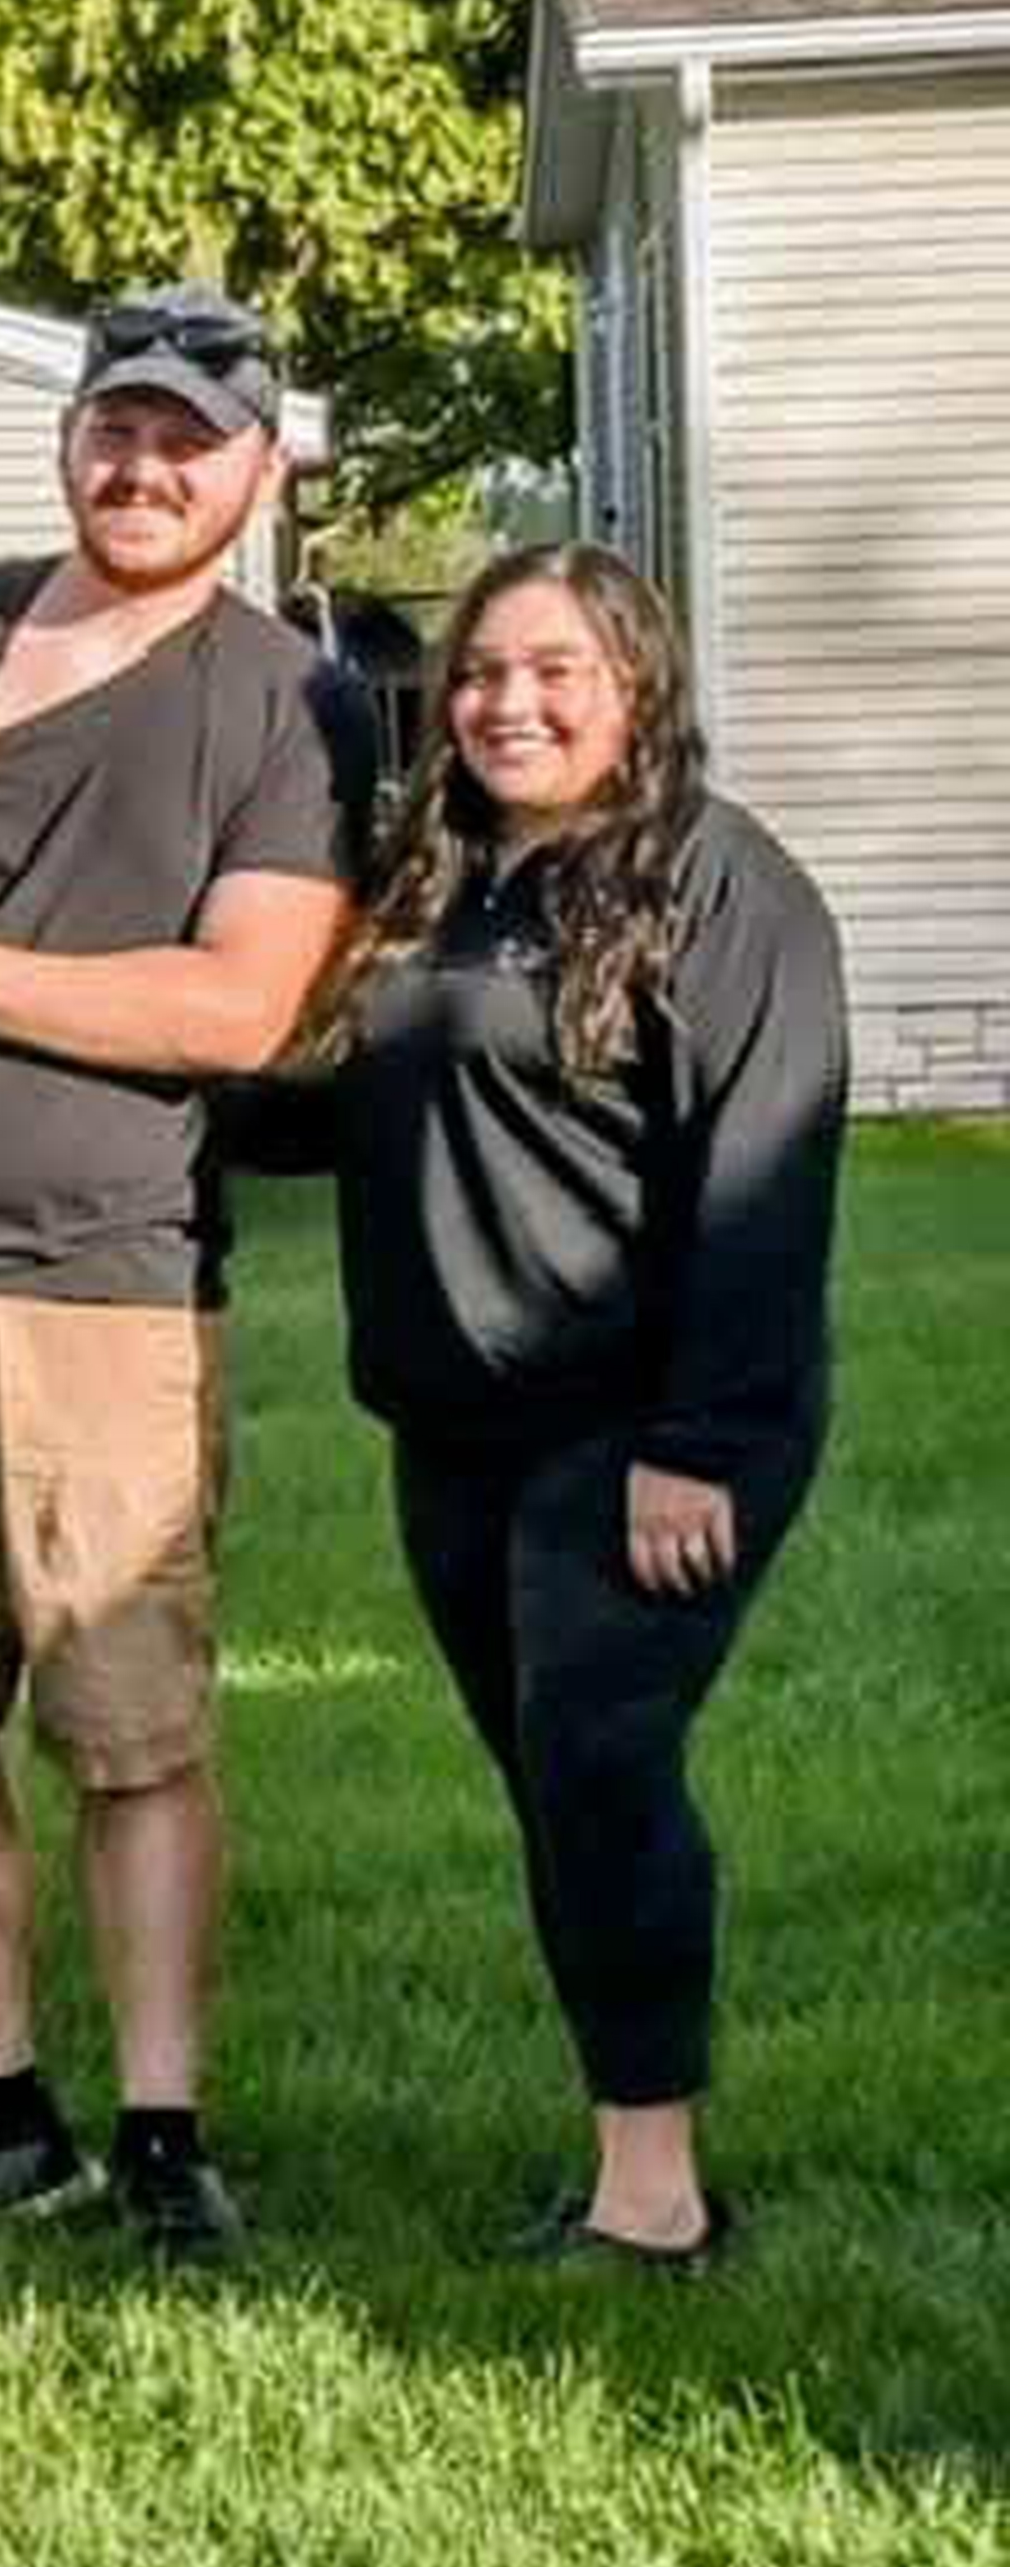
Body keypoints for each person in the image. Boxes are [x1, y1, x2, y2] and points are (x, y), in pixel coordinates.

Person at [0, 284, 355, 2255]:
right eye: (119, 426)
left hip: (111, 1282)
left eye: (192, 440)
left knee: (133, 1731)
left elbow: (237, 1005)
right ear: (70, 437)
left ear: (257, 471)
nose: (144, 465)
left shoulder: (283, 701)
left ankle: (166, 2129)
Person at [299, 543, 844, 2270]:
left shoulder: (722, 882)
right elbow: (339, 1102)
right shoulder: (442, 877)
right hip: (456, 1429)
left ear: (637, 688)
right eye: (480, 671)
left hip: (641, 1429)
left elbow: (763, 1178)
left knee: (601, 1765)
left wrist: (701, 1446)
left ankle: (655, 2200)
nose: (506, 703)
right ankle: (629, 2148)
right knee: (549, 1782)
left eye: (554, 672)